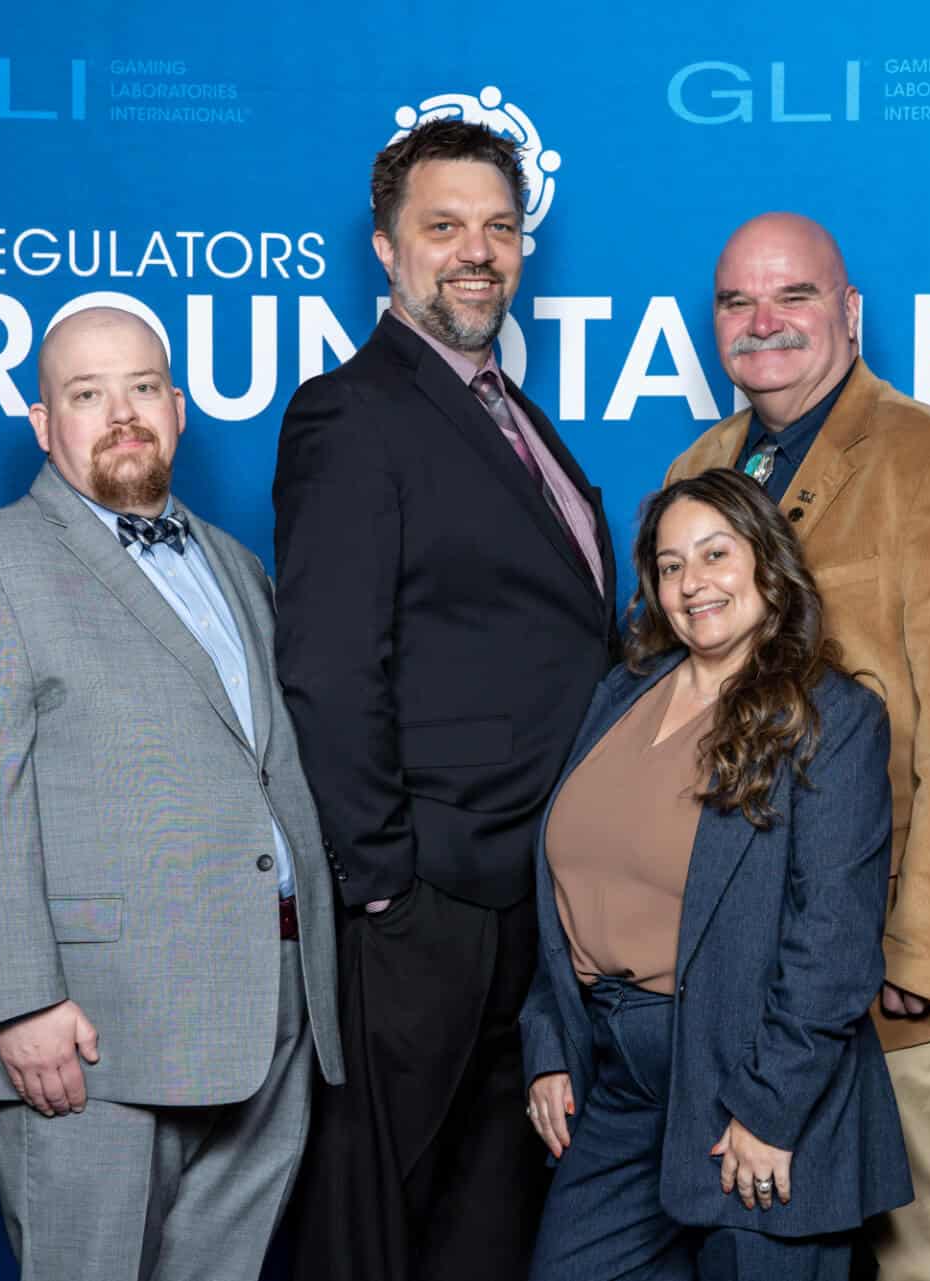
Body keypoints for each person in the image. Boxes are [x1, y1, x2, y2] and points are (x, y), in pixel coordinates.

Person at [0, 306, 343, 1281]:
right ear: (42, 421)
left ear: (177, 410)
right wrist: (19, 1005)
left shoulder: (235, 563)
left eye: (142, 388)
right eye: (85, 395)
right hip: (90, 1029)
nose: (122, 414)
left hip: (264, 1008)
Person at [273, 117, 619, 1281]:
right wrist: (383, 887)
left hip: (527, 900)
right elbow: (326, 665)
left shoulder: (506, 413)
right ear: (385, 248)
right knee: (377, 1221)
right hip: (423, 905)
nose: (476, 251)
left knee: (488, 1218)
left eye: (499, 227)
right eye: (443, 227)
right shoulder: (354, 413)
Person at [664, 213, 930, 1279]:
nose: (764, 323)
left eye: (795, 297)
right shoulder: (702, 466)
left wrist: (925, 948)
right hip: (757, 982)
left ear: (852, 313)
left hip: (903, 977)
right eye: (738, 302)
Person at [520, 468, 910, 1281]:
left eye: (715, 553)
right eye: (669, 565)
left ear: (768, 564)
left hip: (754, 1082)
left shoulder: (832, 719)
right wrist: (549, 1040)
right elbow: (570, 883)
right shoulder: (621, 692)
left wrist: (770, 1109)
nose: (692, 583)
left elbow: (833, 943)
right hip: (618, 1081)